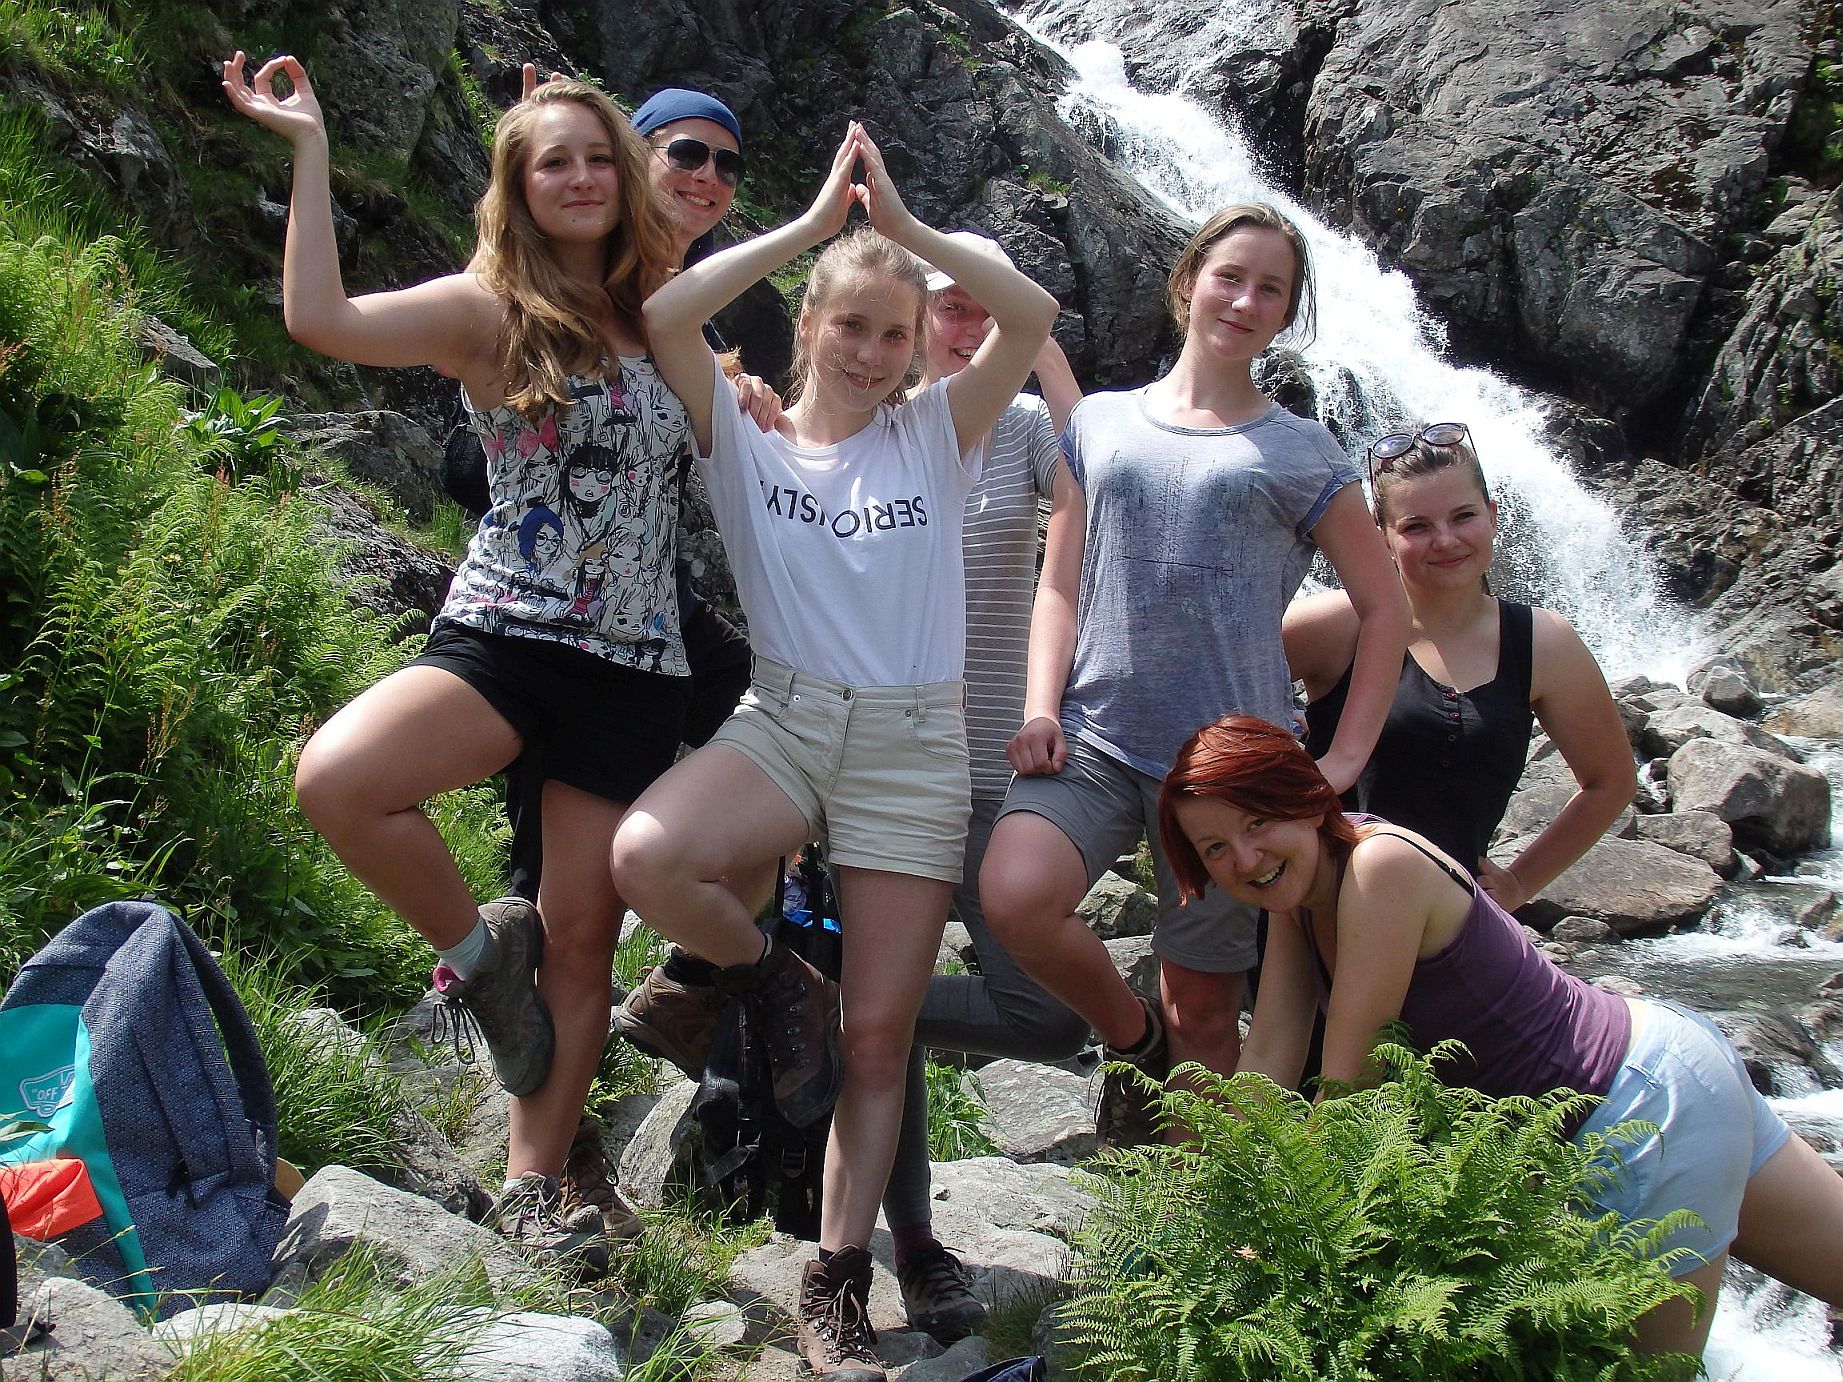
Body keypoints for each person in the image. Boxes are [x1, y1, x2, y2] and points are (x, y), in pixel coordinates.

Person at [223, 53, 688, 1266]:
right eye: (553, 162)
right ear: (517, 188)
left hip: (637, 662)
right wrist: (311, 147)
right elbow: (321, 321)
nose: (579, 178)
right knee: (339, 776)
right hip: (505, 631)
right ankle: (483, 956)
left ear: (624, 175)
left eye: (598, 158)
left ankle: (533, 1188)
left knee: (583, 932)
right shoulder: (487, 308)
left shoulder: (664, 311)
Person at [609, 125, 1057, 1381]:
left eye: (894, 334)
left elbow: (1030, 313)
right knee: (648, 855)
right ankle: (769, 979)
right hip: (789, 718)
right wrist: (814, 227)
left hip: (915, 743)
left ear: (918, 347)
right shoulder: (739, 428)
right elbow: (663, 310)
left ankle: (837, 1276)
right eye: (849, 325)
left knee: (877, 1039)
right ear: (805, 326)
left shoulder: (936, 428)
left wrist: (902, 227)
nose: (870, 352)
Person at [1158, 713, 1843, 1360]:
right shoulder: (1298, 896)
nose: (1244, 857)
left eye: (1257, 821)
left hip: (1637, 1114)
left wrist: (1266, 1230)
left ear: (1306, 799)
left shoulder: (1378, 867)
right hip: (1668, 1064)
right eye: (1215, 848)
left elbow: (1351, 1089)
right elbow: (1268, 1058)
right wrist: (1215, 1196)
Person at [977, 203, 1410, 1142]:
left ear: (1285, 314)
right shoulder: (1098, 423)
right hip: (1092, 736)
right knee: (1013, 894)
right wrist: (1039, 705)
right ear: (1188, 283)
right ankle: (1132, 1041)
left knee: (1205, 1015)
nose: (1245, 301)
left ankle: (1186, 1211)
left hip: (1228, 771)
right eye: (1230, 277)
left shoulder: (1302, 451)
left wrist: (1341, 760)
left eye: (1270, 290)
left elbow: (1386, 608)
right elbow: (1060, 582)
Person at [879, 234, 1087, 1343]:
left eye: (984, 308)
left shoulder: (1024, 429)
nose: (964, 326)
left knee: (1046, 1013)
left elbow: (1107, 481)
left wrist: (1037, 344)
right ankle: (913, 1243)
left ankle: (835, 1007)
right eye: (946, 305)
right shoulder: (871, 421)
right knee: (891, 1030)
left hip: (999, 764)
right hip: (882, 767)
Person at [1284, 422, 1636, 908]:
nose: (1446, 540)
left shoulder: (1544, 643)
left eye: (1463, 516)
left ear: (1492, 516)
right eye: (1417, 527)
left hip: (1457, 926)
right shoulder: (1336, 625)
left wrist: (1519, 884)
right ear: (1382, 537)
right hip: (1324, 917)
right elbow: (1211, 687)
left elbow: (1611, 782)